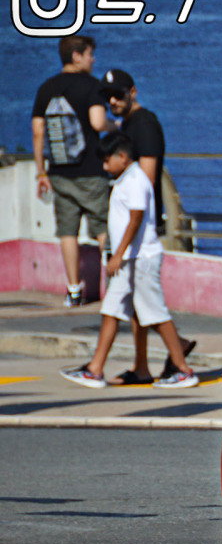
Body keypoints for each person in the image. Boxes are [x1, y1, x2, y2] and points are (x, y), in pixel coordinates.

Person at [59, 133, 197, 389]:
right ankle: (95, 369)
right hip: (129, 260)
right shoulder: (126, 179)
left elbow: (135, 219)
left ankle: (183, 369)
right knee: (112, 309)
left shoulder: (135, 180)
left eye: (106, 160)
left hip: (140, 259)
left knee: (155, 313)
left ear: (122, 157)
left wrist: (118, 254)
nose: (103, 166)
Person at [98, 68, 196, 385]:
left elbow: (147, 183)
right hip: (134, 232)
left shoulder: (145, 124)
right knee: (140, 305)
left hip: (142, 232)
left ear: (133, 92)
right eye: (108, 96)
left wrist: (132, 237)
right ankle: (142, 366)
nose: (112, 101)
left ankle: (178, 358)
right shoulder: (128, 124)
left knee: (148, 303)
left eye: (118, 94)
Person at [31, 35, 112, 307]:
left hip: (59, 173)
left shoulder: (46, 88)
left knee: (68, 232)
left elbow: (38, 133)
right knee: (102, 228)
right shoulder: (93, 86)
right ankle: (115, 285)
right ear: (77, 56)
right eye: (90, 54)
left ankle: (74, 290)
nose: (93, 59)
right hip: (90, 170)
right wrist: (116, 127)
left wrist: (42, 172)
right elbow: (98, 123)